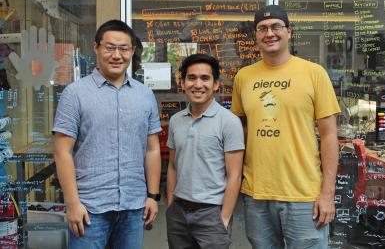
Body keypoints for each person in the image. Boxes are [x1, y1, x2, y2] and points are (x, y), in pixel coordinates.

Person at [231, 5, 341, 249]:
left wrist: (327, 194)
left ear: (289, 32)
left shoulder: (314, 73)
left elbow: (330, 135)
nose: (269, 33)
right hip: (257, 193)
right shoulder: (244, 77)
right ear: (256, 36)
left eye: (276, 27)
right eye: (262, 29)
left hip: (303, 195)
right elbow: (240, 130)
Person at [53, 19, 162, 249]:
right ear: (96, 48)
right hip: (90, 209)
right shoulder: (75, 94)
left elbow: (152, 149)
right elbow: (62, 151)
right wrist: (72, 203)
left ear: (132, 51)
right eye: (110, 47)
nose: (116, 55)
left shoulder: (145, 95)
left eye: (124, 49)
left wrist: (152, 195)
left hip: (133, 207)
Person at [166, 54, 245, 249]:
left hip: (212, 214)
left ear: (216, 84)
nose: (198, 84)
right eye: (191, 78)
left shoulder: (229, 122)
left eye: (205, 78)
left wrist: (224, 218)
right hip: (178, 212)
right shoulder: (176, 120)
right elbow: (173, 166)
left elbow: (235, 175)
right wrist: (170, 205)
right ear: (182, 83)